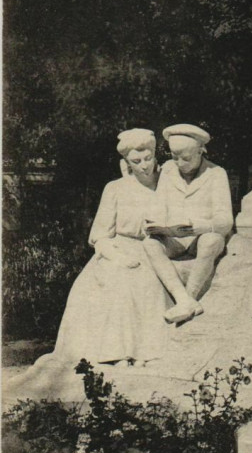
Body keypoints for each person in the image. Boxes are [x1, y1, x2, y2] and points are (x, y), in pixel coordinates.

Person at [52, 129, 168, 367]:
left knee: (151, 284)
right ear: (126, 163)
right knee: (118, 282)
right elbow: (100, 237)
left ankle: (145, 354)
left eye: (148, 159)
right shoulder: (116, 188)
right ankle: (114, 354)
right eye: (136, 161)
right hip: (119, 250)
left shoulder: (167, 184)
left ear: (156, 156)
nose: (144, 166)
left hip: (156, 249)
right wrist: (118, 258)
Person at [143, 124, 233, 324]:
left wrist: (202, 226)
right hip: (175, 240)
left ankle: (189, 296)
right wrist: (155, 224)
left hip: (202, 237)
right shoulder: (167, 170)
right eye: (175, 157)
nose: (180, 163)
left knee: (211, 241)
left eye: (186, 158)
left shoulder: (216, 174)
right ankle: (184, 300)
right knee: (150, 244)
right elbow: (158, 206)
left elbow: (226, 221)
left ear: (201, 151)